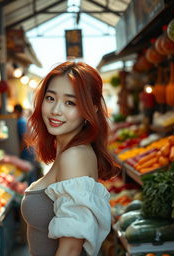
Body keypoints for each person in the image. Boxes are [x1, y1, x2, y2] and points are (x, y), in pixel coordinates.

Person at [21, 61, 120, 256]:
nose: (56, 110)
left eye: (70, 102)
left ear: (91, 109)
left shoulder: (74, 156)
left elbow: (71, 249)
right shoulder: (70, 152)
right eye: (50, 98)